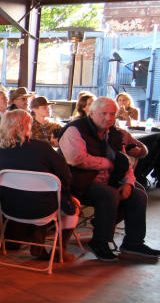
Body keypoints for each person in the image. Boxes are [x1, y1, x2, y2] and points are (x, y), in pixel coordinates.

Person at [59, 96, 158, 261]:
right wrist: (107, 163)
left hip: (108, 180)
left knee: (138, 194)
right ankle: (100, 242)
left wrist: (128, 183)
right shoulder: (75, 129)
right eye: (103, 113)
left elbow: (123, 161)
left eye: (112, 114)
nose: (108, 118)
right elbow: (76, 159)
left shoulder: (115, 133)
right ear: (91, 113)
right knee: (109, 194)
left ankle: (133, 243)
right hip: (78, 181)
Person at [0, 110, 79, 261]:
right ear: (27, 126)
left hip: (9, 206)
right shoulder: (41, 147)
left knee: (41, 196)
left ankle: (38, 245)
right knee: (72, 205)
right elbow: (65, 176)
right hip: (41, 208)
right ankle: (59, 250)